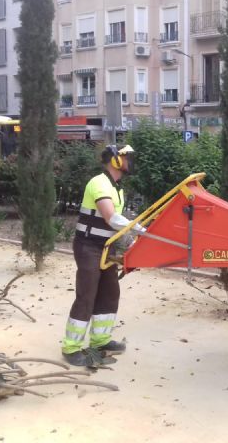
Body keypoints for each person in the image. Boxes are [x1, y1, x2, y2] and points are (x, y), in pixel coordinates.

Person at [61, 144, 143, 366]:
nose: (130, 161)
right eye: (127, 157)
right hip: (88, 247)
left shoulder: (116, 188)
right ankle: (71, 347)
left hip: (106, 247)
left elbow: (116, 227)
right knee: (87, 295)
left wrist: (132, 243)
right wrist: (141, 229)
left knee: (109, 293)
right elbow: (111, 218)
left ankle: (100, 341)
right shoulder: (99, 182)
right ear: (116, 160)